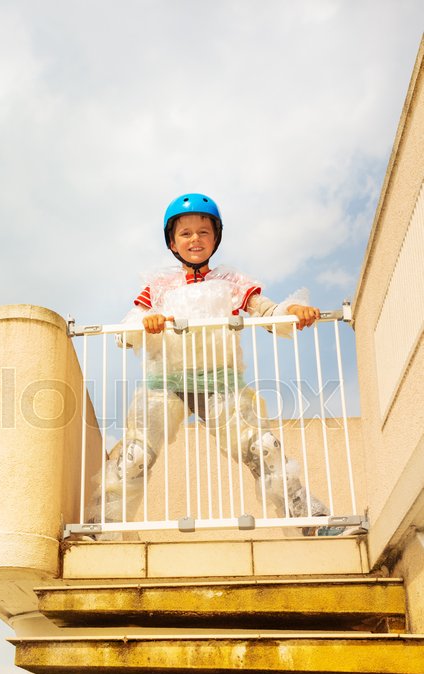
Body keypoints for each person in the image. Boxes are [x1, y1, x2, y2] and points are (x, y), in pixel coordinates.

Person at [87, 192, 340, 537]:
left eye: (203, 232)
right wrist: (145, 323)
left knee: (262, 446)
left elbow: (266, 312)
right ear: (173, 243)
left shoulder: (231, 282)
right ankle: (103, 527)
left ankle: (308, 518)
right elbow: (126, 329)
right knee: (135, 454)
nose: (195, 239)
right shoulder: (158, 286)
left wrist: (293, 310)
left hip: (221, 382)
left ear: (216, 238)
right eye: (185, 233)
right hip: (166, 384)